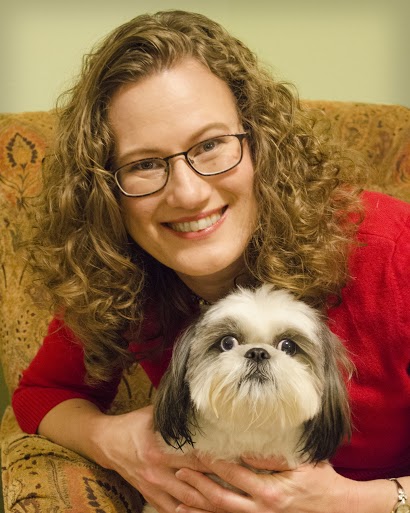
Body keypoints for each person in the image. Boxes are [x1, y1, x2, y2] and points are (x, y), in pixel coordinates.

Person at [12, 9, 410, 513]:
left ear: (260, 144)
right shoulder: (120, 273)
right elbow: (42, 392)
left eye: (211, 144)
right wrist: (111, 440)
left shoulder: (394, 250)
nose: (188, 192)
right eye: (145, 164)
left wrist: (358, 500)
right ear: (104, 191)